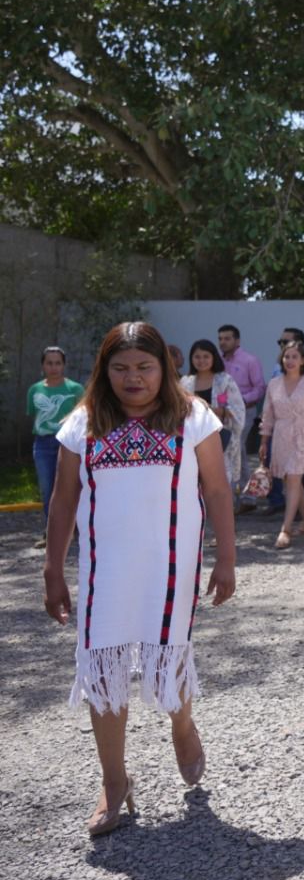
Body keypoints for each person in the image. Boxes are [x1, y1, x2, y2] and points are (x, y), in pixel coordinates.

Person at [42, 321, 236, 836]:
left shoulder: (193, 417)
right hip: (105, 572)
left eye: (144, 367)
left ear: (164, 369)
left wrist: (227, 559)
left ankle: (182, 724)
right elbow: (63, 500)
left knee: (166, 657)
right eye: (121, 368)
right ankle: (113, 781)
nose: (133, 378)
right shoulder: (81, 424)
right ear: (104, 371)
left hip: (170, 567)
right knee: (103, 670)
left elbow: (216, 492)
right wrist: (52, 570)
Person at [260, 342, 304, 550]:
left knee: (294, 477)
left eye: (294, 356)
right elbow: (267, 414)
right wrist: (264, 440)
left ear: (302, 360)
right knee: (291, 478)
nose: (290, 360)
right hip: (281, 436)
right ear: (282, 359)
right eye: (286, 356)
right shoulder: (274, 384)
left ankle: (286, 529)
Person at [28, 346, 84, 549]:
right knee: (47, 488)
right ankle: (50, 532)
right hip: (42, 444)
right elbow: (33, 416)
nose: (53, 367)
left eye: (58, 363)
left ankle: (76, 529)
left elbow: (81, 417)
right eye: (49, 363)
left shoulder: (75, 389)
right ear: (43, 365)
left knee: (73, 485)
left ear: (64, 365)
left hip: (67, 443)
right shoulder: (35, 390)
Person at [181, 340, 246, 511]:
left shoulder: (225, 380)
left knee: (221, 475)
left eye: (205, 356)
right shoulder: (185, 383)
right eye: (197, 356)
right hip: (192, 438)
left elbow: (238, 409)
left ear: (213, 358)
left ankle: (222, 511)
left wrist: (216, 410)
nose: (201, 360)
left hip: (218, 436)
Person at [217, 324, 265, 505]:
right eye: (220, 339)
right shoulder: (218, 362)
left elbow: (259, 388)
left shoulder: (249, 360)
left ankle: (247, 496)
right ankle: (240, 495)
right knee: (233, 451)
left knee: (237, 449)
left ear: (237, 341)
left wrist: (240, 401)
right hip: (223, 413)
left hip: (244, 411)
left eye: (227, 338)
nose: (223, 342)